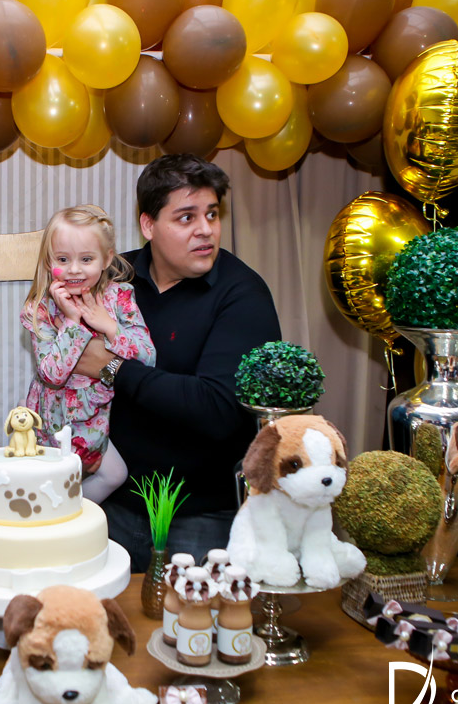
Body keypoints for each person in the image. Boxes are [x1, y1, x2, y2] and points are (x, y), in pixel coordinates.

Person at [73, 154, 282, 571]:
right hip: (111, 501)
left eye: (212, 214)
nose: (206, 229)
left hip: (200, 517)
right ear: (148, 224)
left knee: (192, 615)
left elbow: (218, 408)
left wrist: (112, 367)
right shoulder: (113, 278)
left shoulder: (242, 294)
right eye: (186, 217)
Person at [20, 205, 157, 502]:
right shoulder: (40, 308)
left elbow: (148, 358)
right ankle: (54, 514)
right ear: (48, 261)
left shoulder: (119, 297)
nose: (74, 269)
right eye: (63, 259)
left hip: (94, 417)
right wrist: (72, 322)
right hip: (51, 421)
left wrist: (109, 327)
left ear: (106, 258)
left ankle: (69, 512)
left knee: (114, 474)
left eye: (86, 259)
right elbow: (52, 375)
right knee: (50, 483)